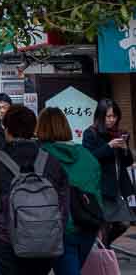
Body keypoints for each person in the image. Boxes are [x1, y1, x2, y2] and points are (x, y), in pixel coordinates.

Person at [0, 104, 69, 275]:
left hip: (5, 242)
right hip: (45, 240)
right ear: (33, 129)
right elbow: (63, 204)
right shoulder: (51, 161)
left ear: (6, 128)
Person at [37, 107, 103, 275]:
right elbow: (96, 190)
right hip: (89, 224)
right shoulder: (87, 155)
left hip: (61, 228)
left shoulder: (41, 156)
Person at [82, 98, 135, 247]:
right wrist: (109, 146)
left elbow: (128, 162)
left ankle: (103, 248)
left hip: (118, 186)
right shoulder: (90, 133)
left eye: (114, 116)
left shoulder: (121, 133)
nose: (112, 120)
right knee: (104, 224)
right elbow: (88, 159)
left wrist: (125, 149)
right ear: (100, 116)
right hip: (101, 187)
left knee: (124, 222)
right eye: (108, 116)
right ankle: (103, 256)